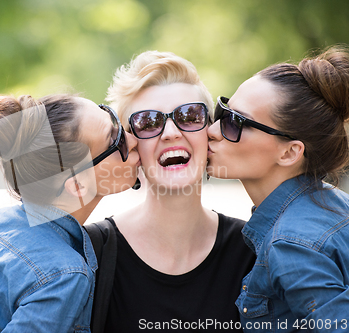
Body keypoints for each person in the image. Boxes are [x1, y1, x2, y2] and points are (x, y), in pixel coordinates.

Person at [0, 93, 140, 333]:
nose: (133, 140)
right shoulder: (64, 274)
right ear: (78, 183)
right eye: (115, 140)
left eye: (112, 118)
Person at [88, 51, 255, 332]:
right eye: (148, 122)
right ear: (130, 145)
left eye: (189, 116)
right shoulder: (91, 254)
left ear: (210, 132)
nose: (170, 132)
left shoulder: (254, 251)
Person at [207, 45, 349, 332]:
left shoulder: (292, 245)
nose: (212, 129)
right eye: (222, 111)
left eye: (236, 122)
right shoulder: (335, 204)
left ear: (289, 153)